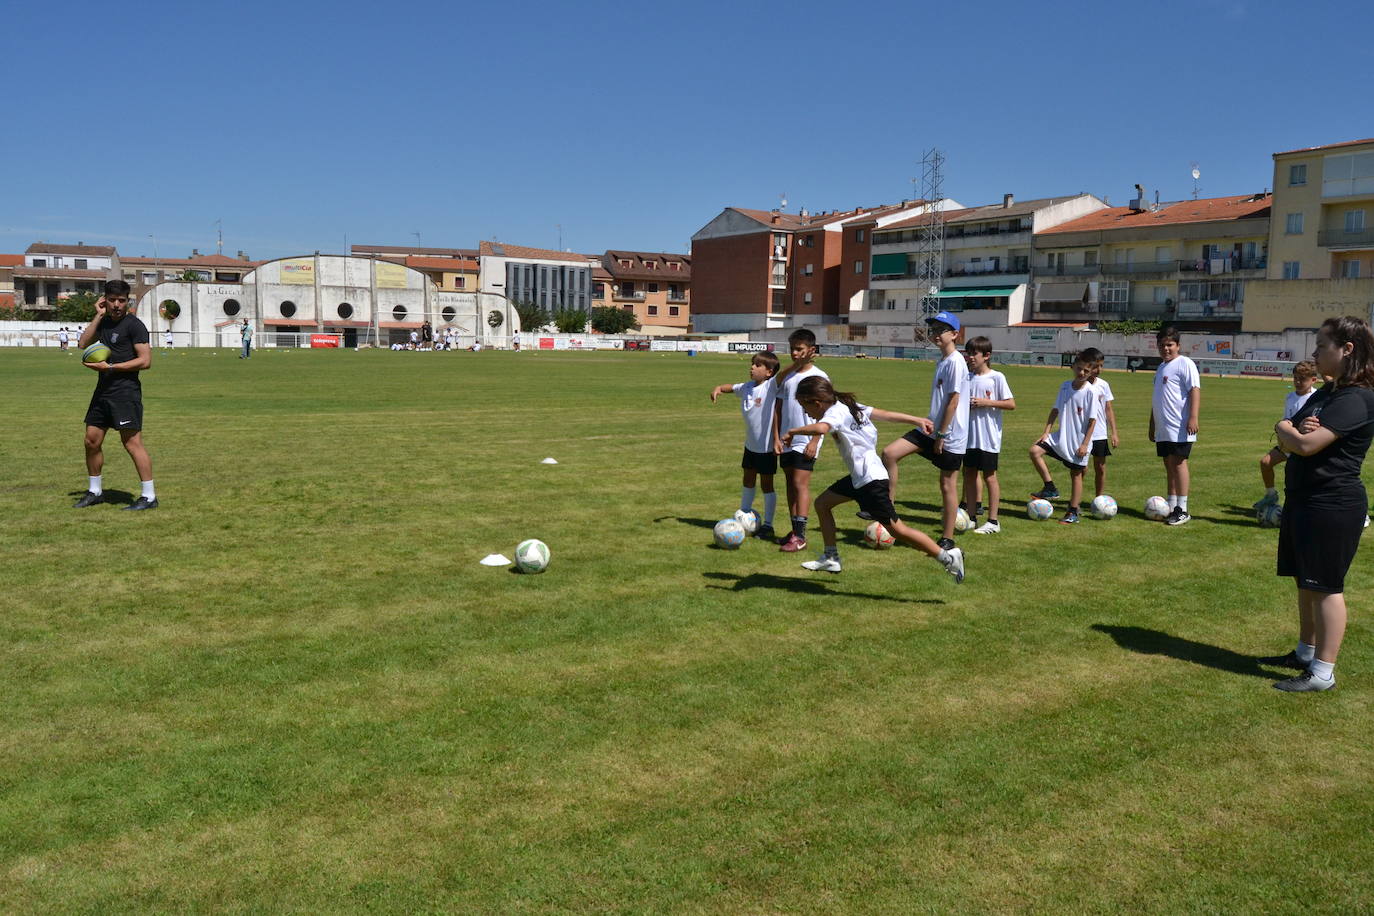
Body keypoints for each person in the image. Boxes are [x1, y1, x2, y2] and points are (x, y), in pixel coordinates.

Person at [1263, 316, 1374, 692]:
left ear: (1347, 350)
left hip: (1333, 503)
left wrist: (1293, 433)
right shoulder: (1326, 393)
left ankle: (1322, 672)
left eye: (1321, 346)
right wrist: (1290, 430)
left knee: (1326, 586)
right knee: (1304, 581)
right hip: (1305, 499)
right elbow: (1286, 431)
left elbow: (1305, 444)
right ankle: (1305, 653)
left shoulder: (1358, 397)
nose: (1314, 353)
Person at [785, 376, 964, 583]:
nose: (806, 413)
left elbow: (822, 428)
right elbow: (885, 415)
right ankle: (831, 557)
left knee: (898, 530)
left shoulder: (835, 412)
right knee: (822, 504)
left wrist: (793, 431)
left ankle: (948, 557)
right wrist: (915, 420)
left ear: (816, 402)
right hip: (860, 477)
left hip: (871, 481)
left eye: (804, 407)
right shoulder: (847, 405)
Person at [876, 311, 969, 550]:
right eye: (933, 329)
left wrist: (941, 435)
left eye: (941, 330)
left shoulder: (956, 362)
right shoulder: (943, 361)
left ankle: (947, 538)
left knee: (947, 484)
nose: (935, 334)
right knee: (889, 453)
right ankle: (888, 510)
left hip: (949, 436)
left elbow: (953, 402)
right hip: (930, 427)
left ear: (955, 334)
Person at [73, 280, 158, 511]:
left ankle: (149, 496)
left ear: (128, 301)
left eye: (122, 301)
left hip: (125, 392)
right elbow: (83, 343)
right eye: (112, 300)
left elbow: (145, 361)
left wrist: (111, 368)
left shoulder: (135, 325)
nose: (117, 305)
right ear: (105, 301)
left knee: (132, 443)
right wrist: (98, 316)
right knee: (91, 440)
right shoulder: (104, 322)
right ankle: (95, 491)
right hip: (103, 392)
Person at [709, 351, 781, 540]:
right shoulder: (747, 387)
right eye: (752, 363)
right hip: (751, 446)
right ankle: (744, 515)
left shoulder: (770, 387)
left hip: (767, 447)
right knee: (748, 479)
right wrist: (718, 388)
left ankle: (768, 525)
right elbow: (730, 387)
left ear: (769, 372)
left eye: (758, 365)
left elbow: (783, 374)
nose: (752, 367)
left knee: (767, 485)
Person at [1028, 351, 1101, 524]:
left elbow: (1092, 421)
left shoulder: (1091, 392)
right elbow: (1055, 410)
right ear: (1074, 367)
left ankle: (1073, 511)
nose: (1081, 373)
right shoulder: (1065, 386)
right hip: (1060, 437)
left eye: (1085, 371)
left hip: (1079, 441)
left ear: (1090, 373)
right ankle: (1050, 487)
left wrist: (1084, 444)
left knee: (1075, 474)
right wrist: (1046, 431)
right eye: (1079, 369)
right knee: (1034, 451)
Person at [772, 329, 828, 553]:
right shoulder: (787, 377)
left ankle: (801, 537)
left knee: (800, 484)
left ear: (811, 350)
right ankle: (794, 531)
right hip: (786, 437)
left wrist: (815, 441)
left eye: (799, 349)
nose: (794, 353)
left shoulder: (819, 377)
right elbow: (778, 408)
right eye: (792, 349)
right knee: (789, 485)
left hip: (805, 439)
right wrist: (776, 437)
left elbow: (827, 413)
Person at [961, 336, 1015, 534]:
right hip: (968, 436)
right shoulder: (966, 377)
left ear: (987, 355)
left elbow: (1010, 404)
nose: (970, 357)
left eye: (974, 353)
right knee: (969, 474)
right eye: (968, 353)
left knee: (990, 477)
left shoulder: (997, 377)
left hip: (988, 437)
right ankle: (972, 517)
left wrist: (986, 402)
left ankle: (993, 521)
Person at [1149, 326, 1200, 525]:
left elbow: (1194, 390)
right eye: (1162, 345)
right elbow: (1157, 399)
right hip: (1163, 427)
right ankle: (1171, 505)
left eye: (1170, 345)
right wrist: (1152, 424)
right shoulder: (1161, 367)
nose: (1166, 349)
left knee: (1178, 463)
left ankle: (1183, 509)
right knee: (1168, 464)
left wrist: (1193, 417)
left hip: (1179, 425)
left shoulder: (1184, 363)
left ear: (1178, 345)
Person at [1254, 360, 1319, 511]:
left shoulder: (1317, 397)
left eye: (1302, 379)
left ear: (1313, 380)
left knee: (1301, 480)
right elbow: (1287, 420)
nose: (1297, 381)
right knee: (1265, 463)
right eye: (1295, 378)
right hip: (1287, 444)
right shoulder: (1289, 397)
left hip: (1303, 445)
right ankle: (1271, 495)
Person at [1083, 347, 1119, 501]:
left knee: (1100, 468)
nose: (1099, 369)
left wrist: (1114, 432)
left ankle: (1099, 499)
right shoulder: (1080, 384)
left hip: (1099, 433)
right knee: (1081, 469)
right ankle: (1075, 500)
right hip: (1082, 434)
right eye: (1095, 366)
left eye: (1101, 366)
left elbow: (1108, 409)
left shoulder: (1103, 385)